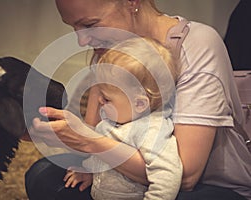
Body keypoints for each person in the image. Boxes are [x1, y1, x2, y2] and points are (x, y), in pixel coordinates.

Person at [25, 0, 251, 199]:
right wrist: (65, 135)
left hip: (205, 185)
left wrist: (86, 140)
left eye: (90, 24)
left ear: (132, 2)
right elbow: (97, 133)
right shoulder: (109, 48)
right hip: (126, 174)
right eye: (73, 27)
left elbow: (185, 176)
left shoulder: (198, 44)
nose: (81, 41)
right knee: (42, 176)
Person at [63, 37, 182, 200]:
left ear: (139, 103)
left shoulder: (152, 130)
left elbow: (167, 175)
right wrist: (89, 172)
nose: (99, 101)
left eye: (106, 98)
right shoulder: (113, 122)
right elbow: (104, 159)